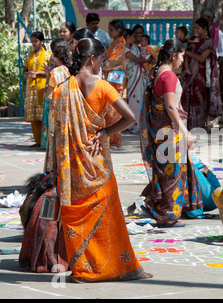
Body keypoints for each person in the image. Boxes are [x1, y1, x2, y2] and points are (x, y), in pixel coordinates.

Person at [50, 38, 152, 283]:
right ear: (91, 59)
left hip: (71, 167)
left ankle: (84, 269)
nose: (102, 64)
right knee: (109, 217)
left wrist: (55, 166)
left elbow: (55, 132)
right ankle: (118, 267)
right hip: (97, 165)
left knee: (77, 216)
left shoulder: (61, 89)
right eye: (101, 59)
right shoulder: (103, 86)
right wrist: (105, 132)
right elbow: (130, 117)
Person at [140, 39, 203, 227]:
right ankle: (168, 214)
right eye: (182, 56)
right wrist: (185, 132)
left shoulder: (156, 73)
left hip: (159, 130)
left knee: (167, 169)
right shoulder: (169, 76)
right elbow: (169, 105)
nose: (183, 60)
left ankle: (159, 205)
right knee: (172, 171)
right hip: (169, 132)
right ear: (174, 56)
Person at [18, 171, 68, 273]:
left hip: (30, 253)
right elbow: (46, 230)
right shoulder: (52, 197)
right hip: (49, 258)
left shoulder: (34, 197)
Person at [181, 18, 222, 130]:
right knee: (187, 98)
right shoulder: (193, 39)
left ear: (204, 29)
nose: (196, 30)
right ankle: (187, 125)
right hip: (189, 74)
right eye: (195, 28)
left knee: (199, 99)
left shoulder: (208, 43)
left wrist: (188, 53)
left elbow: (201, 58)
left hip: (200, 76)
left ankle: (199, 126)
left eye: (198, 28)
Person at [42, 39, 71, 171]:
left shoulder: (55, 73)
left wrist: (48, 77)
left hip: (56, 113)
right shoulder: (71, 70)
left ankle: (53, 174)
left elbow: (48, 95)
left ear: (54, 55)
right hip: (69, 111)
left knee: (54, 145)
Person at [23, 31, 51, 148]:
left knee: (43, 114)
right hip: (31, 88)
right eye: (32, 41)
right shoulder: (29, 56)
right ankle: (37, 140)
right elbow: (23, 72)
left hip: (43, 87)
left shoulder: (48, 56)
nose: (33, 44)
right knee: (33, 115)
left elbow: (51, 72)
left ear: (42, 41)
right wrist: (28, 73)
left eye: (36, 41)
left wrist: (38, 73)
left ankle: (45, 140)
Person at [103, 19, 127, 150]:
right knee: (111, 108)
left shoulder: (119, 44)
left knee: (114, 109)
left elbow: (112, 61)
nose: (109, 32)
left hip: (115, 79)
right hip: (112, 78)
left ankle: (116, 141)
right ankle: (112, 139)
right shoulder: (115, 43)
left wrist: (102, 65)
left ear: (118, 31)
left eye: (111, 30)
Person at [124, 28, 146, 134]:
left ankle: (136, 124)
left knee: (138, 101)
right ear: (128, 37)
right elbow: (137, 60)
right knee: (133, 101)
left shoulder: (135, 48)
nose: (135, 38)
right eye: (133, 36)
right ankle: (133, 124)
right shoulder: (125, 50)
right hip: (131, 78)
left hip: (138, 77)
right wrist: (148, 59)